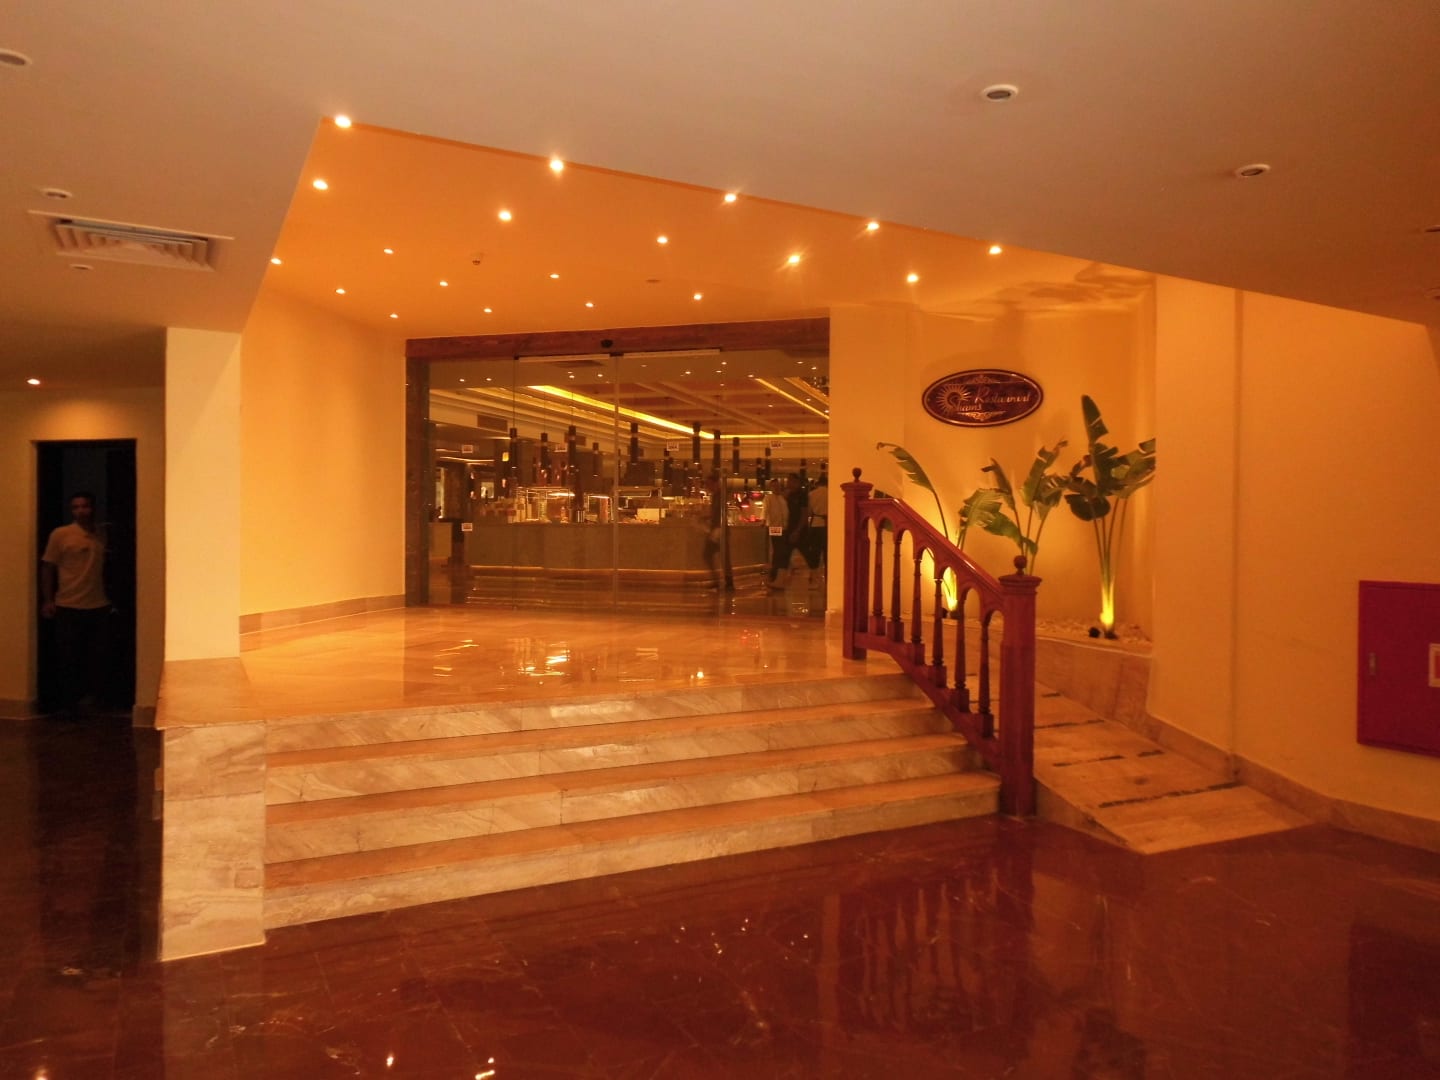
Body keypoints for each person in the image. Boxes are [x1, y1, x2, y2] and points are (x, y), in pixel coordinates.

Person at [40, 492, 111, 715]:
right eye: (76, 507)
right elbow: (48, 567)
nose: (81, 511)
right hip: (68, 604)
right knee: (68, 657)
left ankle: (93, 700)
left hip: (98, 603)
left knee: (97, 657)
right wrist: (48, 599)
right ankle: (67, 704)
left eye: (85, 506)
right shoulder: (61, 534)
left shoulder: (101, 534)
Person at [762, 478, 789, 590]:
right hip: (775, 527)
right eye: (774, 486)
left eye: (778, 486)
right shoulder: (768, 498)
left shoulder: (782, 498)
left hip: (784, 527)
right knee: (778, 551)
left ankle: (776, 575)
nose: (777, 488)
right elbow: (765, 510)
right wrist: (763, 521)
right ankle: (774, 574)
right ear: (771, 487)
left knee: (780, 551)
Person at [805, 471, 829, 574]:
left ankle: (814, 574)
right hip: (828, 526)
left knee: (815, 551)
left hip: (815, 524)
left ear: (818, 483)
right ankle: (828, 573)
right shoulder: (831, 493)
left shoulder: (811, 494)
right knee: (827, 552)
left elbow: (809, 512)